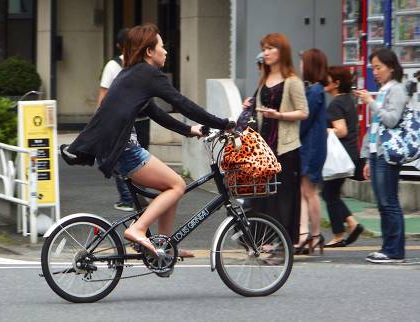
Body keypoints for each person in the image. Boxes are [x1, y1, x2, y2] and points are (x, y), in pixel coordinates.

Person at [61, 23, 234, 257]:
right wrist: (223, 123)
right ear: (149, 52)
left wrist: (189, 130)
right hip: (125, 149)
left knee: (169, 187)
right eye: (162, 47)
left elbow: (155, 112)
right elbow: (183, 104)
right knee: (177, 185)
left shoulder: (132, 73)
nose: (166, 51)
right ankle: (139, 229)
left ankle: (164, 244)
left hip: (115, 148)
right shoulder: (148, 74)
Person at [245, 33, 309, 245]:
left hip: (286, 149)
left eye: (271, 48)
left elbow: (303, 112)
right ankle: (263, 241)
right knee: (263, 198)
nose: (266, 52)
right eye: (264, 48)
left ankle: (281, 244)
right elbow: (257, 113)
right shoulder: (263, 81)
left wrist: (279, 115)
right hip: (264, 149)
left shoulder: (292, 81)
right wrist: (249, 106)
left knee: (284, 198)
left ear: (282, 52)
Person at [355, 48, 407, 263]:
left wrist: (370, 102)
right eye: (373, 68)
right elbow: (374, 127)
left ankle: (395, 251)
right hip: (377, 154)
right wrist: (367, 157)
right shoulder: (384, 89)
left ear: (391, 67)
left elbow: (391, 120)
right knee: (383, 203)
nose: (375, 72)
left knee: (389, 202)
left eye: (379, 67)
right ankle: (388, 248)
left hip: (388, 154)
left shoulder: (397, 90)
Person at [98, 28, 151, 212]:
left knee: (123, 158)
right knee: (139, 159)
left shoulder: (113, 66)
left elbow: (103, 97)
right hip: (143, 119)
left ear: (118, 45)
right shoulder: (143, 64)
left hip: (126, 121)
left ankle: (129, 199)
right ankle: (136, 196)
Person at [322, 66, 363, 247]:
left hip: (340, 156)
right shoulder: (348, 100)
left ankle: (339, 234)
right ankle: (351, 225)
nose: (324, 82)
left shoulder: (336, 103)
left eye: (327, 79)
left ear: (336, 83)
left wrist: (323, 131)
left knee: (328, 193)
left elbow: (341, 130)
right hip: (351, 154)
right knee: (332, 193)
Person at [295, 48, 328, 255]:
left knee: (310, 192)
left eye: (302, 62)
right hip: (311, 146)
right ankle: (305, 233)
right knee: (304, 191)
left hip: (312, 148)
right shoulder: (315, 90)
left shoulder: (315, 91)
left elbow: (304, 120)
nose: (300, 66)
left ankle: (314, 235)